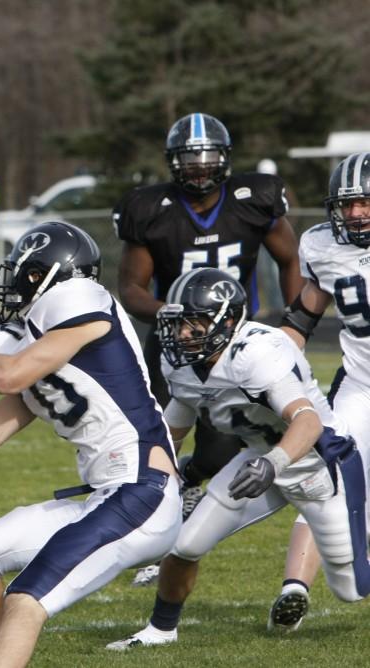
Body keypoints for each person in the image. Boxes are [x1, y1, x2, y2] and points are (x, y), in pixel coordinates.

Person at [0, 221, 181, 668]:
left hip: (141, 490)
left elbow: (4, 375)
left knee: (27, 598)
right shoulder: (41, 350)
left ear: (55, 277)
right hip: (109, 492)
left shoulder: (80, 299)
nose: (15, 284)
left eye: (27, 275)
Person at [106, 268, 368, 652]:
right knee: (185, 545)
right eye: (178, 324)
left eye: (193, 324)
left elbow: (307, 422)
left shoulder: (256, 354)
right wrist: (153, 477)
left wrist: (274, 464)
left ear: (228, 321)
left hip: (317, 465)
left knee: (351, 589)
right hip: (257, 457)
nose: (181, 335)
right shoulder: (181, 364)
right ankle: (161, 629)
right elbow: (173, 429)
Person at [114, 112, 303, 585]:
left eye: (207, 158)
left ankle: (190, 489)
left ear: (225, 159)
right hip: (172, 343)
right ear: (172, 163)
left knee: (220, 453)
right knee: (152, 439)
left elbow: (290, 259)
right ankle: (142, 526)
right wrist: (173, 316)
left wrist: (295, 320)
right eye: (188, 159)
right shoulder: (152, 208)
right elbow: (131, 288)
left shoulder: (253, 199)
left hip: (235, 344)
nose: (199, 168)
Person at [265, 151, 370, 632]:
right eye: (347, 205)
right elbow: (305, 315)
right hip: (362, 384)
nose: (355, 214)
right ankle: (295, 588)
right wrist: (266, 367)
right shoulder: (322, 245)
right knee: (327, 478)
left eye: (365, 203)